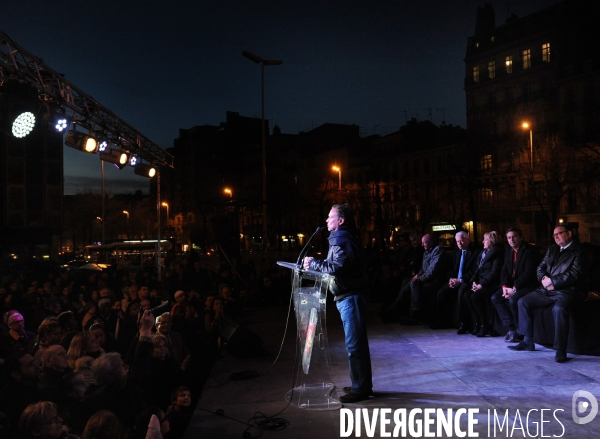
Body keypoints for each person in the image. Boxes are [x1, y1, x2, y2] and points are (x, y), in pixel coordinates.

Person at [303, 203, 372, 403]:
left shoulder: (342, 239)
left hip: (351, 297)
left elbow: (336, 267)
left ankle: (360, 390)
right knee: (357, 344)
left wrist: (313, 263)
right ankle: (362, 385)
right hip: (348, 296)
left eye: (330, 216)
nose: (326, 220)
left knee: (354, 345)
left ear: (340, 221)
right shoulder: (341, 238)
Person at [509, 224, 591, 363]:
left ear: (569, 234)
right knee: (523, 301)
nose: (556, 237)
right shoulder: (552, 249)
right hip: (547, 289)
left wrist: (553, 281)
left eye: (559, 233)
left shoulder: (580, 250)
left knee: (558, 309)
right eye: (554, 235)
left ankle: (561, 350)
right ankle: (528, 341)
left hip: (569, 290)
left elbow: (576, 274)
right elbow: (541, 267)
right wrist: (543, 279)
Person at [382, 234, 447, 325]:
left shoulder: (438, 251)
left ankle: (412, 313)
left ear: (431, 242)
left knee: (413, 284)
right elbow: (423, 268)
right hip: (427, 277)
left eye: (424, 243)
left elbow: (432, 271)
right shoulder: (426, 252)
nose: (422, 245)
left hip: (436, 279)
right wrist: (418, 275)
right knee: (406, 287)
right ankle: (393, 311)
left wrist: (420, 277)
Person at [491, 227, 539, 342]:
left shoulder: (530, 251)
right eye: (508, 237)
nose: (511, 239)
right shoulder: (508, 251)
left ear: (521, 238)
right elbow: (504, 270)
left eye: (514, 236)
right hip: (512, 285)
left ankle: (520, 331)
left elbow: (529, 273)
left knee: (513, 300)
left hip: (527, 285)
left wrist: (514, 288)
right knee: (495, 298)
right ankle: (513, 327)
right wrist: (504, 287)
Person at [458, 231, 504, 337]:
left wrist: (481, 284)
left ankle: (484, 324)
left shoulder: (498, 253)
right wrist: (473, 282)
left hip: (492, 284)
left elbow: (494, 273)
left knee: (475, 296)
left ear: (492, 241)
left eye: (485, 239)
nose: (483, 242)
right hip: (481, 282)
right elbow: (477, 270)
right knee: (466, 295)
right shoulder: (483, 253)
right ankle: (477, 322)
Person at [430, 230, 479, 330]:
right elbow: (450, 268)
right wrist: (451, 279)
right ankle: (441, 320)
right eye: (457, 241)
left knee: (461, 292)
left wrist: (460, 280)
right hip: (455, 280)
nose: (459, 243)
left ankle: (463, 323)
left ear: (468, 240)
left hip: (467, 280)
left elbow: (474, 271)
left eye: (461, 241)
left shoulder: (475, 252)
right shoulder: (456, 252)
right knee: (441, 292)